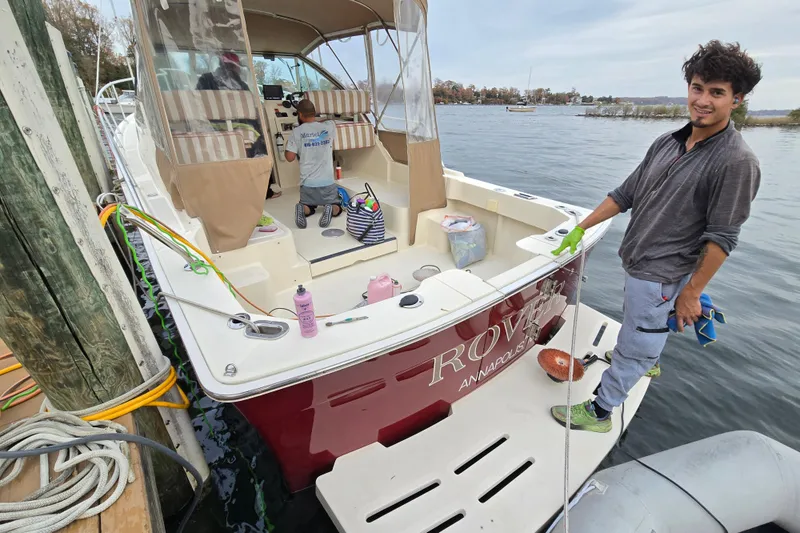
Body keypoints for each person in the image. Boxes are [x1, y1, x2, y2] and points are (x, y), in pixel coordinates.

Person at [550, 40, 762, 433]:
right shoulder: (667, 142)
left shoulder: (736, 161)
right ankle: (646, 354)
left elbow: (722, 239)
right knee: (640, 327)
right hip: (640, 266)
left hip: (663, 276)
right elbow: (624, 194)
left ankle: (601, 411)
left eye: (717, 93)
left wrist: (692, 292)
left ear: (737, 99)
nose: (702, 100)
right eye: (698, 88)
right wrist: (580, 227)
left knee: (636, 343)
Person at [284, 100, 341, 228]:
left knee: (308, 206)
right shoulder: (329, 126)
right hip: (327, 182)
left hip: (307, 184)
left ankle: (302, 208)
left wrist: (289, 144)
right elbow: (328, 119)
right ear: (314, 113)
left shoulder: (297, 132)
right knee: (337, 206)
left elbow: (289, 157)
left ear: (299, 114)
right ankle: (331, 208)